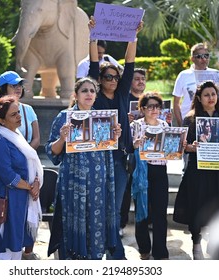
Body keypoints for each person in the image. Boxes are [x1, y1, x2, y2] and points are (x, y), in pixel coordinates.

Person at [45, 77, 121, 259]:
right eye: (84, 91)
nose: (89, 94)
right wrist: (62, 138)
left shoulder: (103, 118)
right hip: (73, 181)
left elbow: (106, 151)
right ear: (76, 95)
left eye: (92, 91)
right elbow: (52, 151)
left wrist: (114, 136)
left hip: (97, 181)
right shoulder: (64, 117)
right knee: (71, 222)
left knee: (95, 223)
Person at [88, 16, 143, 260]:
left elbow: (129, 65)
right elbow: (92, 63)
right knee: (97, 203)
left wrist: (133, 36)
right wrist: (92, 35)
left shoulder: (122, 93)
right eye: (107, 77)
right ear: (100, 80)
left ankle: (114, 250)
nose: (112, 80)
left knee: (115, 204)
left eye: (115, 77)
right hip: (97, 157)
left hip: (120, 159)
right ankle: (95, 245)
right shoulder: (95, 94)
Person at [173, 80, 219, 260]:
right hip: (198, 171)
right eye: (207, 95)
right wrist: (191, 147)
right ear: (199, 98)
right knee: (197, 206)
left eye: (213, 94)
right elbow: (183, 146)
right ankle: (196, 243)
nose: (211, 98)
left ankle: (216, 241)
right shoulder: (191, 119)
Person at [0, 70, 41, 260]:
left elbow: (30, 162)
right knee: (5, 252)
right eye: (14, 114)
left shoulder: (18, 139)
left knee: (16, 250)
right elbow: (8, 176)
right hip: (7, 200)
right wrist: (30, 187)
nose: (19, 117)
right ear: (1, 121)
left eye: (18, 113)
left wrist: (35, 185)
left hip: (20, 200)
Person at [131, 92, 171, 260]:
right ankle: (144, 249)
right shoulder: (135, 126)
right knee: (142, 210)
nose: (154, 110)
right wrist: (135, 144)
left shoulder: (165, 125)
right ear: (142, 108)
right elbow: (128, 146)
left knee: (160, 213)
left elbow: (170, 149)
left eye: (157, 106)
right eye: (150, 106)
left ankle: (160, 251)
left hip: (160, 172)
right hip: (142, 171)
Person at [172, 43, 219, 127]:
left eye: (206, 55)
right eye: (199, 56)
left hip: (212, 123)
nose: (203, 59)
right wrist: (181, 125)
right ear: (192, 59)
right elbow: (176, 103)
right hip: (190, 121)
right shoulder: (183, 75)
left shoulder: (216, 74)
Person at [120, 68, 146, 237]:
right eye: (136, 79)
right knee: (126, 189)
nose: (140, 82)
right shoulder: (123, 99)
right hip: (127, 150)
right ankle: (121, 224)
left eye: (143, 79)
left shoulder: (149, 100)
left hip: (146, 151)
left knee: (144, 187)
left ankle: (145, 221)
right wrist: (125, 118)